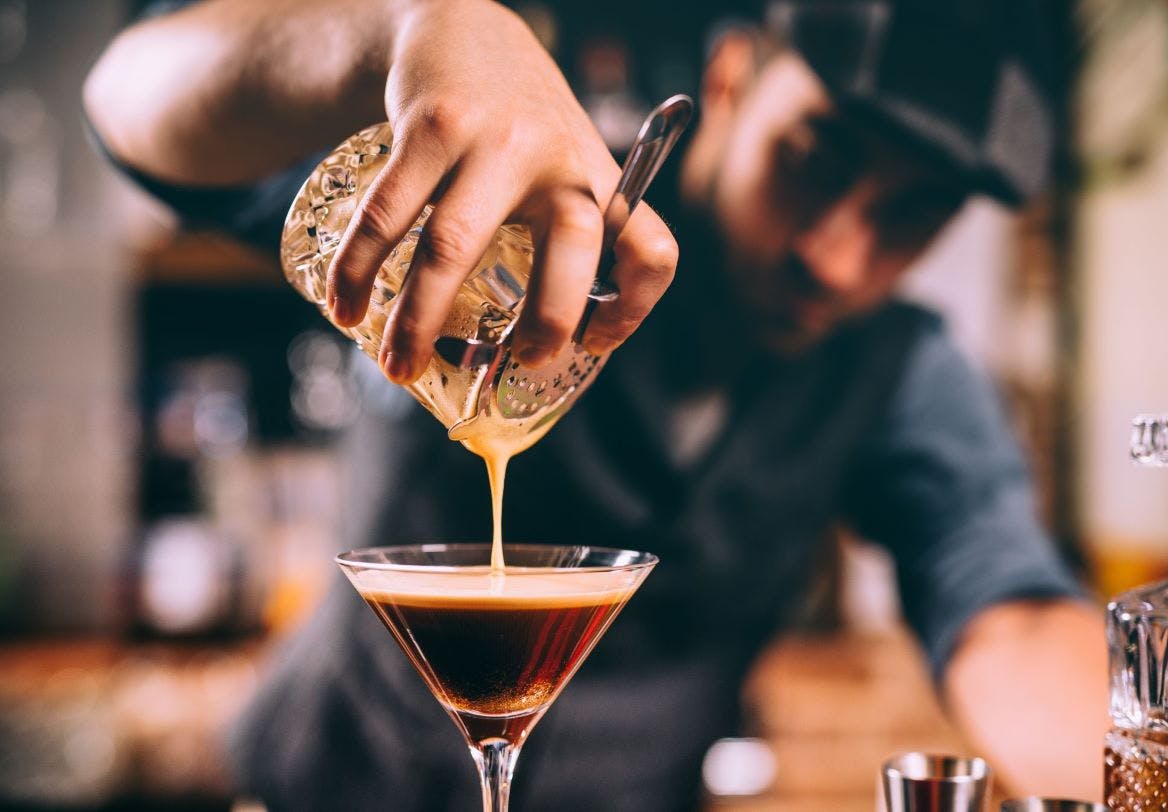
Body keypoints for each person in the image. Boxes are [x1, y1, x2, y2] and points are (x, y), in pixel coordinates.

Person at [85, 1, 1110, 809]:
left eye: (907, 215)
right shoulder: (505, 211)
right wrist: (399, 30)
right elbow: (127, 104)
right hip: (320, 783)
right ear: (728, 80)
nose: (832, 253)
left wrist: (1129, 776)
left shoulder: (895, 369)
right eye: (811, 159)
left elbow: (1007, 607)